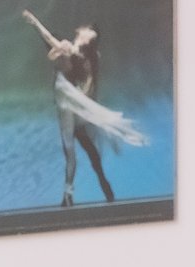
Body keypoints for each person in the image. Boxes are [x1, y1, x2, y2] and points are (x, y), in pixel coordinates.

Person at [23, 11, 145, 207]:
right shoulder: (81, 54)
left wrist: (35, 22)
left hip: (71, 107)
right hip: (74, 106)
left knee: (73, 152)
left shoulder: (73, 50)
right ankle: (87, 186)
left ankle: (70, 194)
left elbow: (50, 40)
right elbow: (54, 47)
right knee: (85, 150)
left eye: (87, 33)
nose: (82, 32)